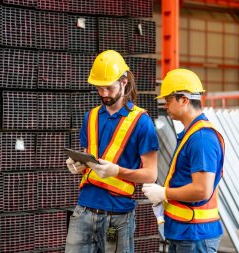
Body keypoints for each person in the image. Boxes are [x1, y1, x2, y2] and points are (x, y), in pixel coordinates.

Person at [65, 50, 159, 253]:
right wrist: (77, 165)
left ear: (124, 81)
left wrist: (117, 171)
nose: (104, 94)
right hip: (84, 211)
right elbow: (88, 159)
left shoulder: (142, 122)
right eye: (100, 88)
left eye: (109, 87)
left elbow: (151, 174)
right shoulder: (90, 117)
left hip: (118, 216)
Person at [142, 69, 225, 253]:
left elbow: (202, 190)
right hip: (185, 232)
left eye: (169, 100)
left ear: (184, 100)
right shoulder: (192, 134)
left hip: (195, 235)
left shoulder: (201, 138)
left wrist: (164, 193)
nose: (165, 105)